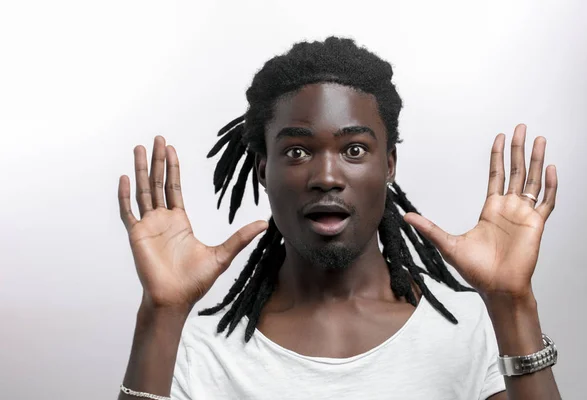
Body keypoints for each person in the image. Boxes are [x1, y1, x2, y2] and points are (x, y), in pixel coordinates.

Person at [117, 37, 561, 399]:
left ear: (389, 165)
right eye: (297, 150)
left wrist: (512, 304)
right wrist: (161, 314)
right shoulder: (195, 347)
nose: (326, 177)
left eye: (354, 150)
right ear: (261, 169)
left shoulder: (469, 327)